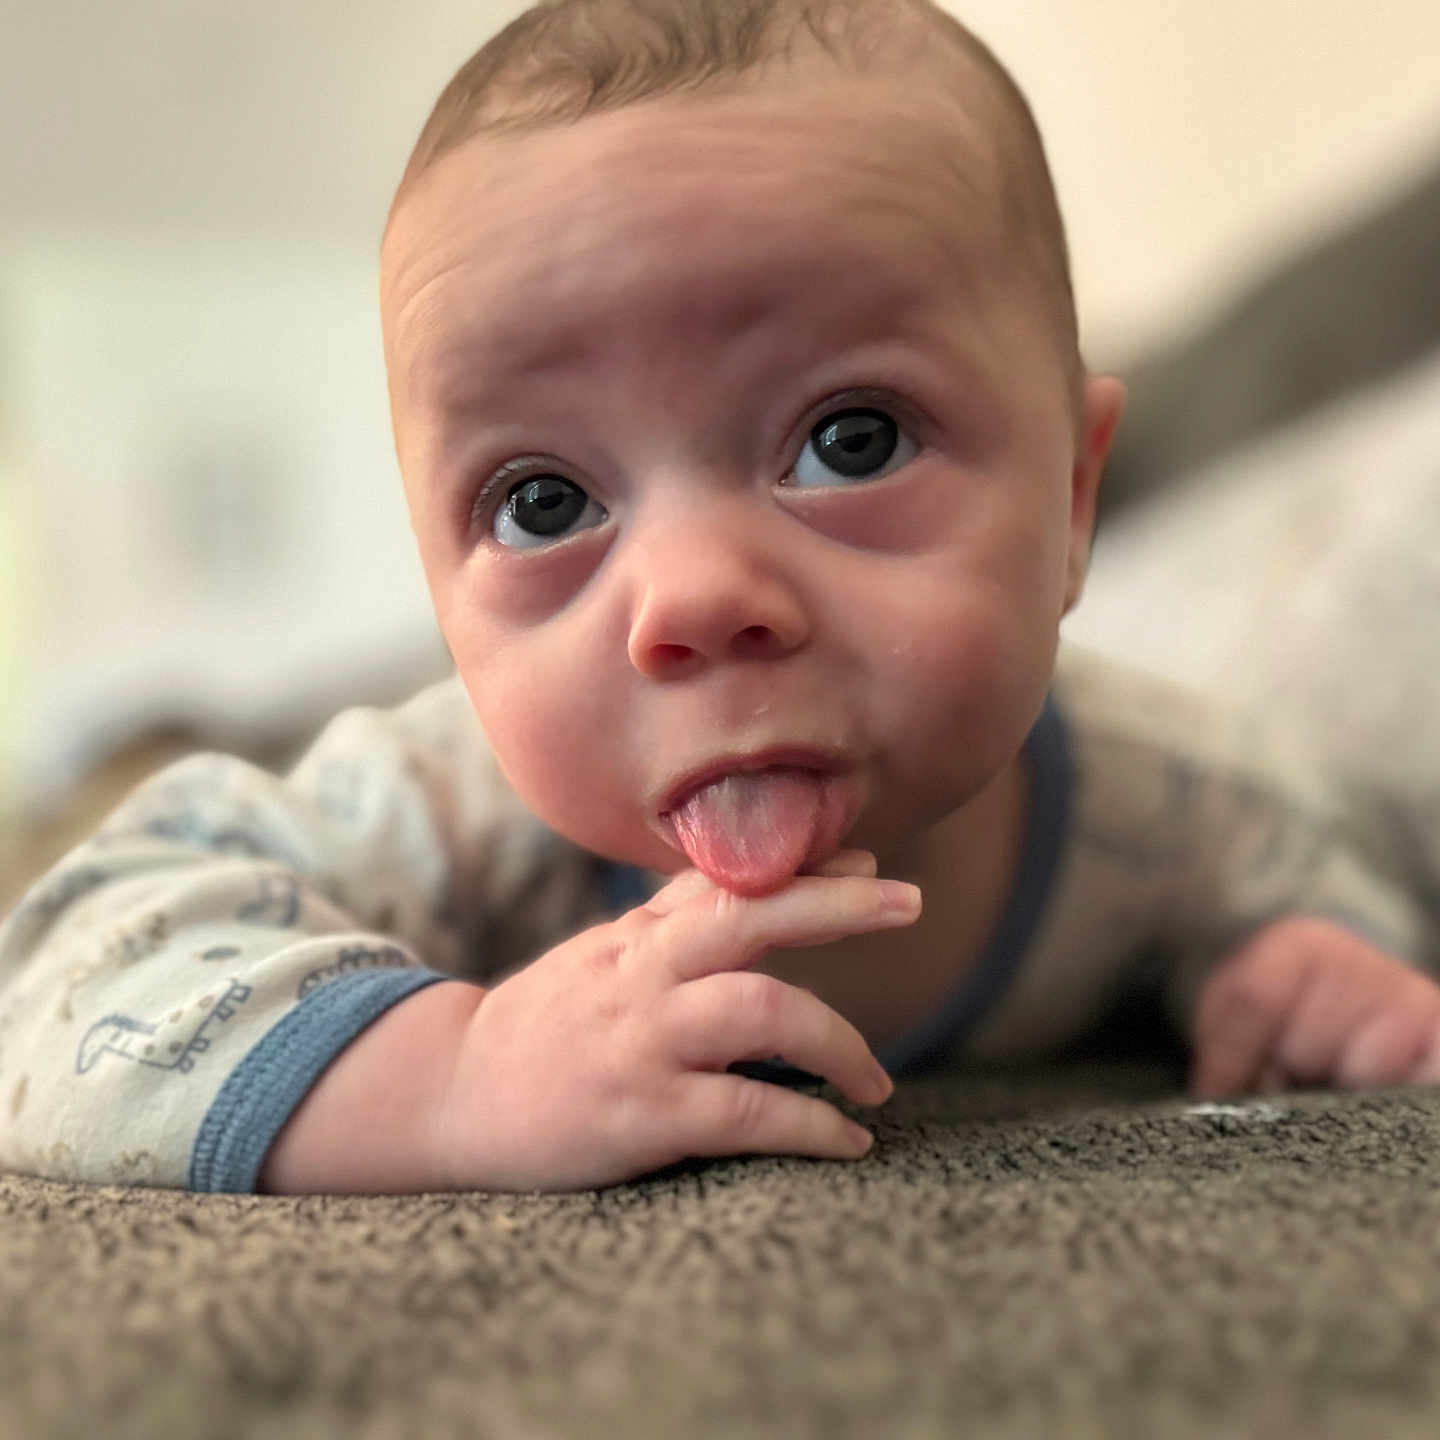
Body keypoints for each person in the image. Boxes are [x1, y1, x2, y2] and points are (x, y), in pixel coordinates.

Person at [2, 0, 1437, 1195]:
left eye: (849, 440)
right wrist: (450, 1080)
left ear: (1071, 501)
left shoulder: (1165, 800)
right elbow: (74, 973)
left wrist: (1297, 960)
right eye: (543, 503)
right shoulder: (454, 813)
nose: (689, 600)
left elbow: (1325, 857)